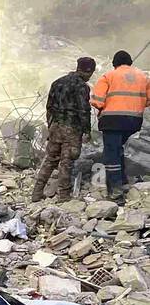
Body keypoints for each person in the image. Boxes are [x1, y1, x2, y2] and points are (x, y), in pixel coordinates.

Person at [32, 57, 96, 202]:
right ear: (89, 71)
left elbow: (49, 107)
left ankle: (36, 193)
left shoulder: (57, 82)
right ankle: (64, 196)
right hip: (72, 129)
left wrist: (51, 126)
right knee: (66, 162)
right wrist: (87, 130)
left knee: (50, 159)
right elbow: (83, 110)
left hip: (56, 127)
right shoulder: (82, 87)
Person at [90, 51, 150, 200]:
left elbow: (97, 101)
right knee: (119, 149)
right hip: (134, 121)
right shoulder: (143, 77)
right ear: (130, 62)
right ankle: (123, 181)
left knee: (112, 154)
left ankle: (116, 191)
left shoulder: (108, 76)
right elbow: (148, 100)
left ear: (114, 64)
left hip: (112, 121)